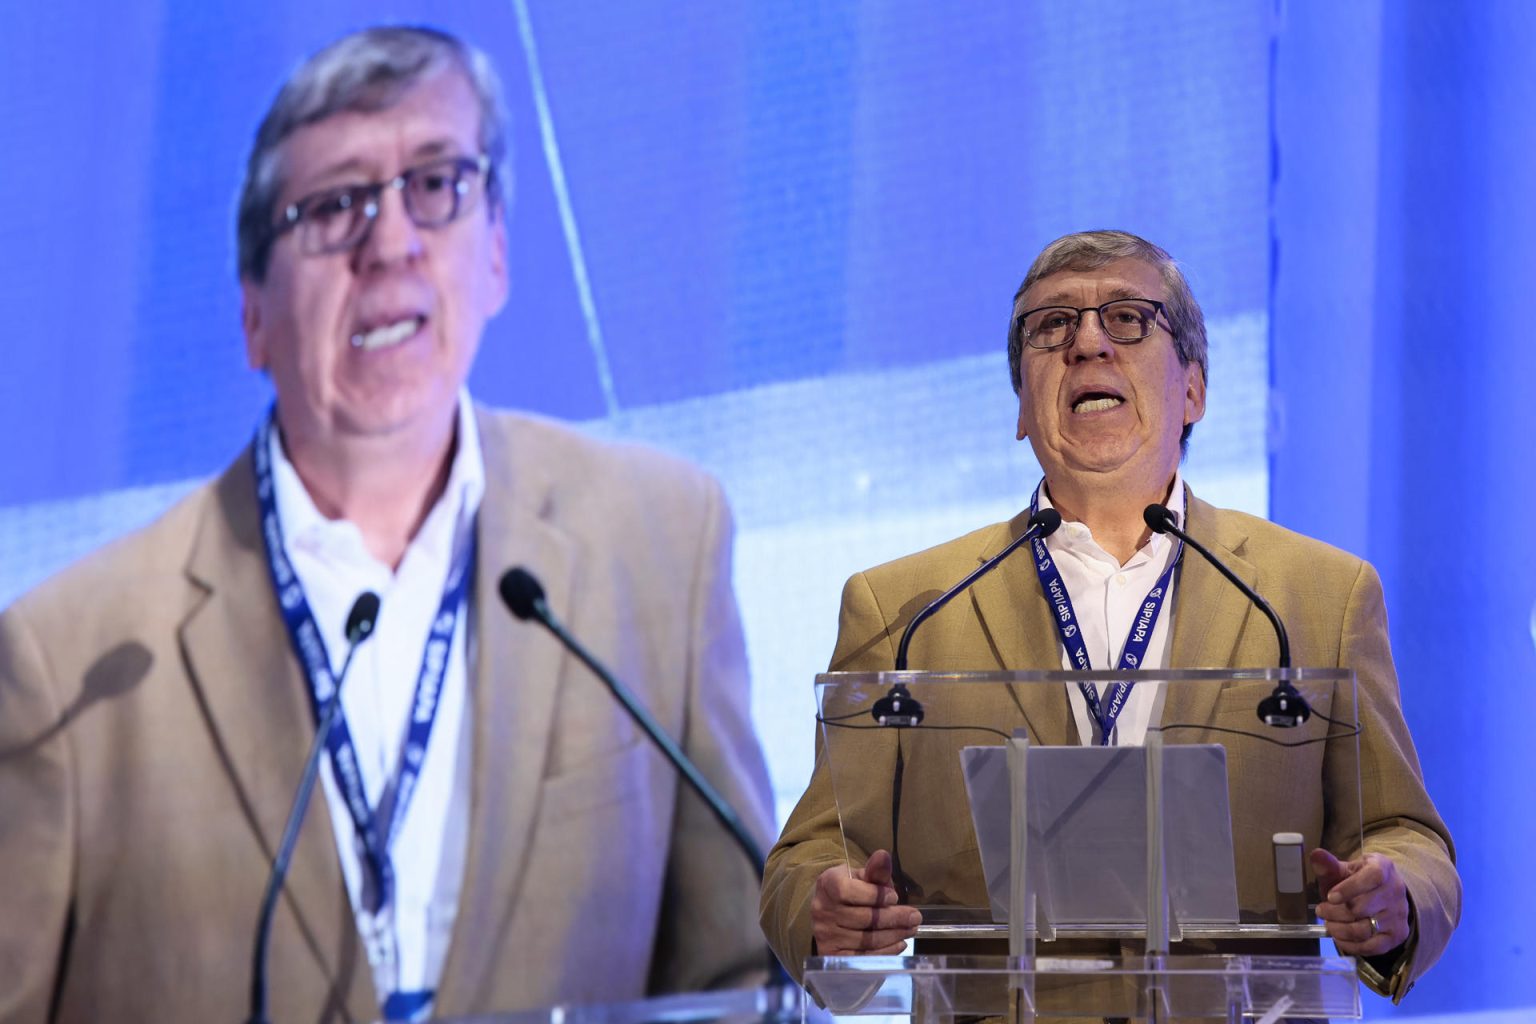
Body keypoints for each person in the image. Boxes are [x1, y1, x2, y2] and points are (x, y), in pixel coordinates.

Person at [0, 25, 774, 1024]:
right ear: (252, 316)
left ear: (495, 253)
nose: (392, 241)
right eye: (333, 207)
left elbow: (744, 981)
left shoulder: (663, 544)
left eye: (436, 183)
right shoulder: (72, 662)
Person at [759, 230, 1459, 1006]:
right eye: (1051, 326)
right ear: (1023, 404)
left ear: (1193, 389)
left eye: (1129, 318)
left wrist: (1397, 899)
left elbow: (1405, 832)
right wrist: (824, 906)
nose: (1087, 342)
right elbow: (811, 852)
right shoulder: (905, 610)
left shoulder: (1319, 596)